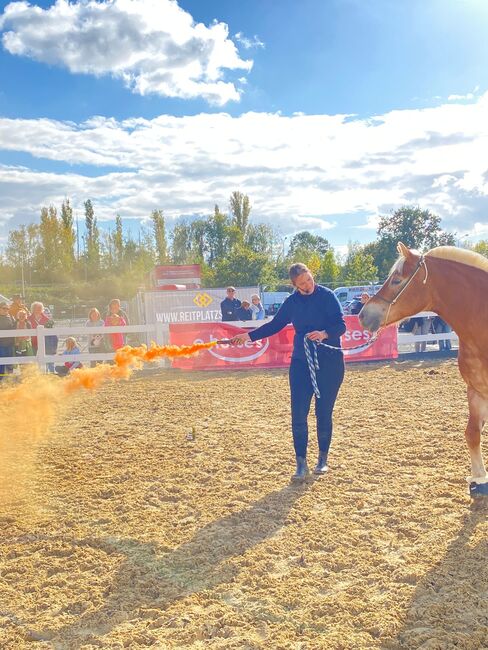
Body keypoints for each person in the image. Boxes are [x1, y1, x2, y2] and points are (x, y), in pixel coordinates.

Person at [231, 263, 346, 481]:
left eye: (309, 279)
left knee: (323, 413)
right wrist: (248, 336)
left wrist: (323, 333)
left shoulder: (328, 296)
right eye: (302, 283)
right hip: (301, 362)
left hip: (330, 362)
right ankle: (300, 463)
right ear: (294, 285)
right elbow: (275, 325)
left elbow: (341, 326)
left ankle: (322, 459)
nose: (308, 285)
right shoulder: (291, 302)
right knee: (298, 414)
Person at [27, 301, 57, 372]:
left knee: (47, 359)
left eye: (40, 308)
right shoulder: (28, 319)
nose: (38, 310)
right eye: (37, 308)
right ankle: (33, 373)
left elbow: (51, 332)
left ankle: (50, 373)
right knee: (32, 359)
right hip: (32, 343)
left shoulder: (46, 319)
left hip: (45, 343)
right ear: (33, 309)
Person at [0, 301, 16, 380]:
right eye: (4, 308)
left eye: (7, 308)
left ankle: (10, 381)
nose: (6, 310)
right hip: (1, 345)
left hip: (10, 344)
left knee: (10, 363)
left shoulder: (11, 317)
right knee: (1, 363)